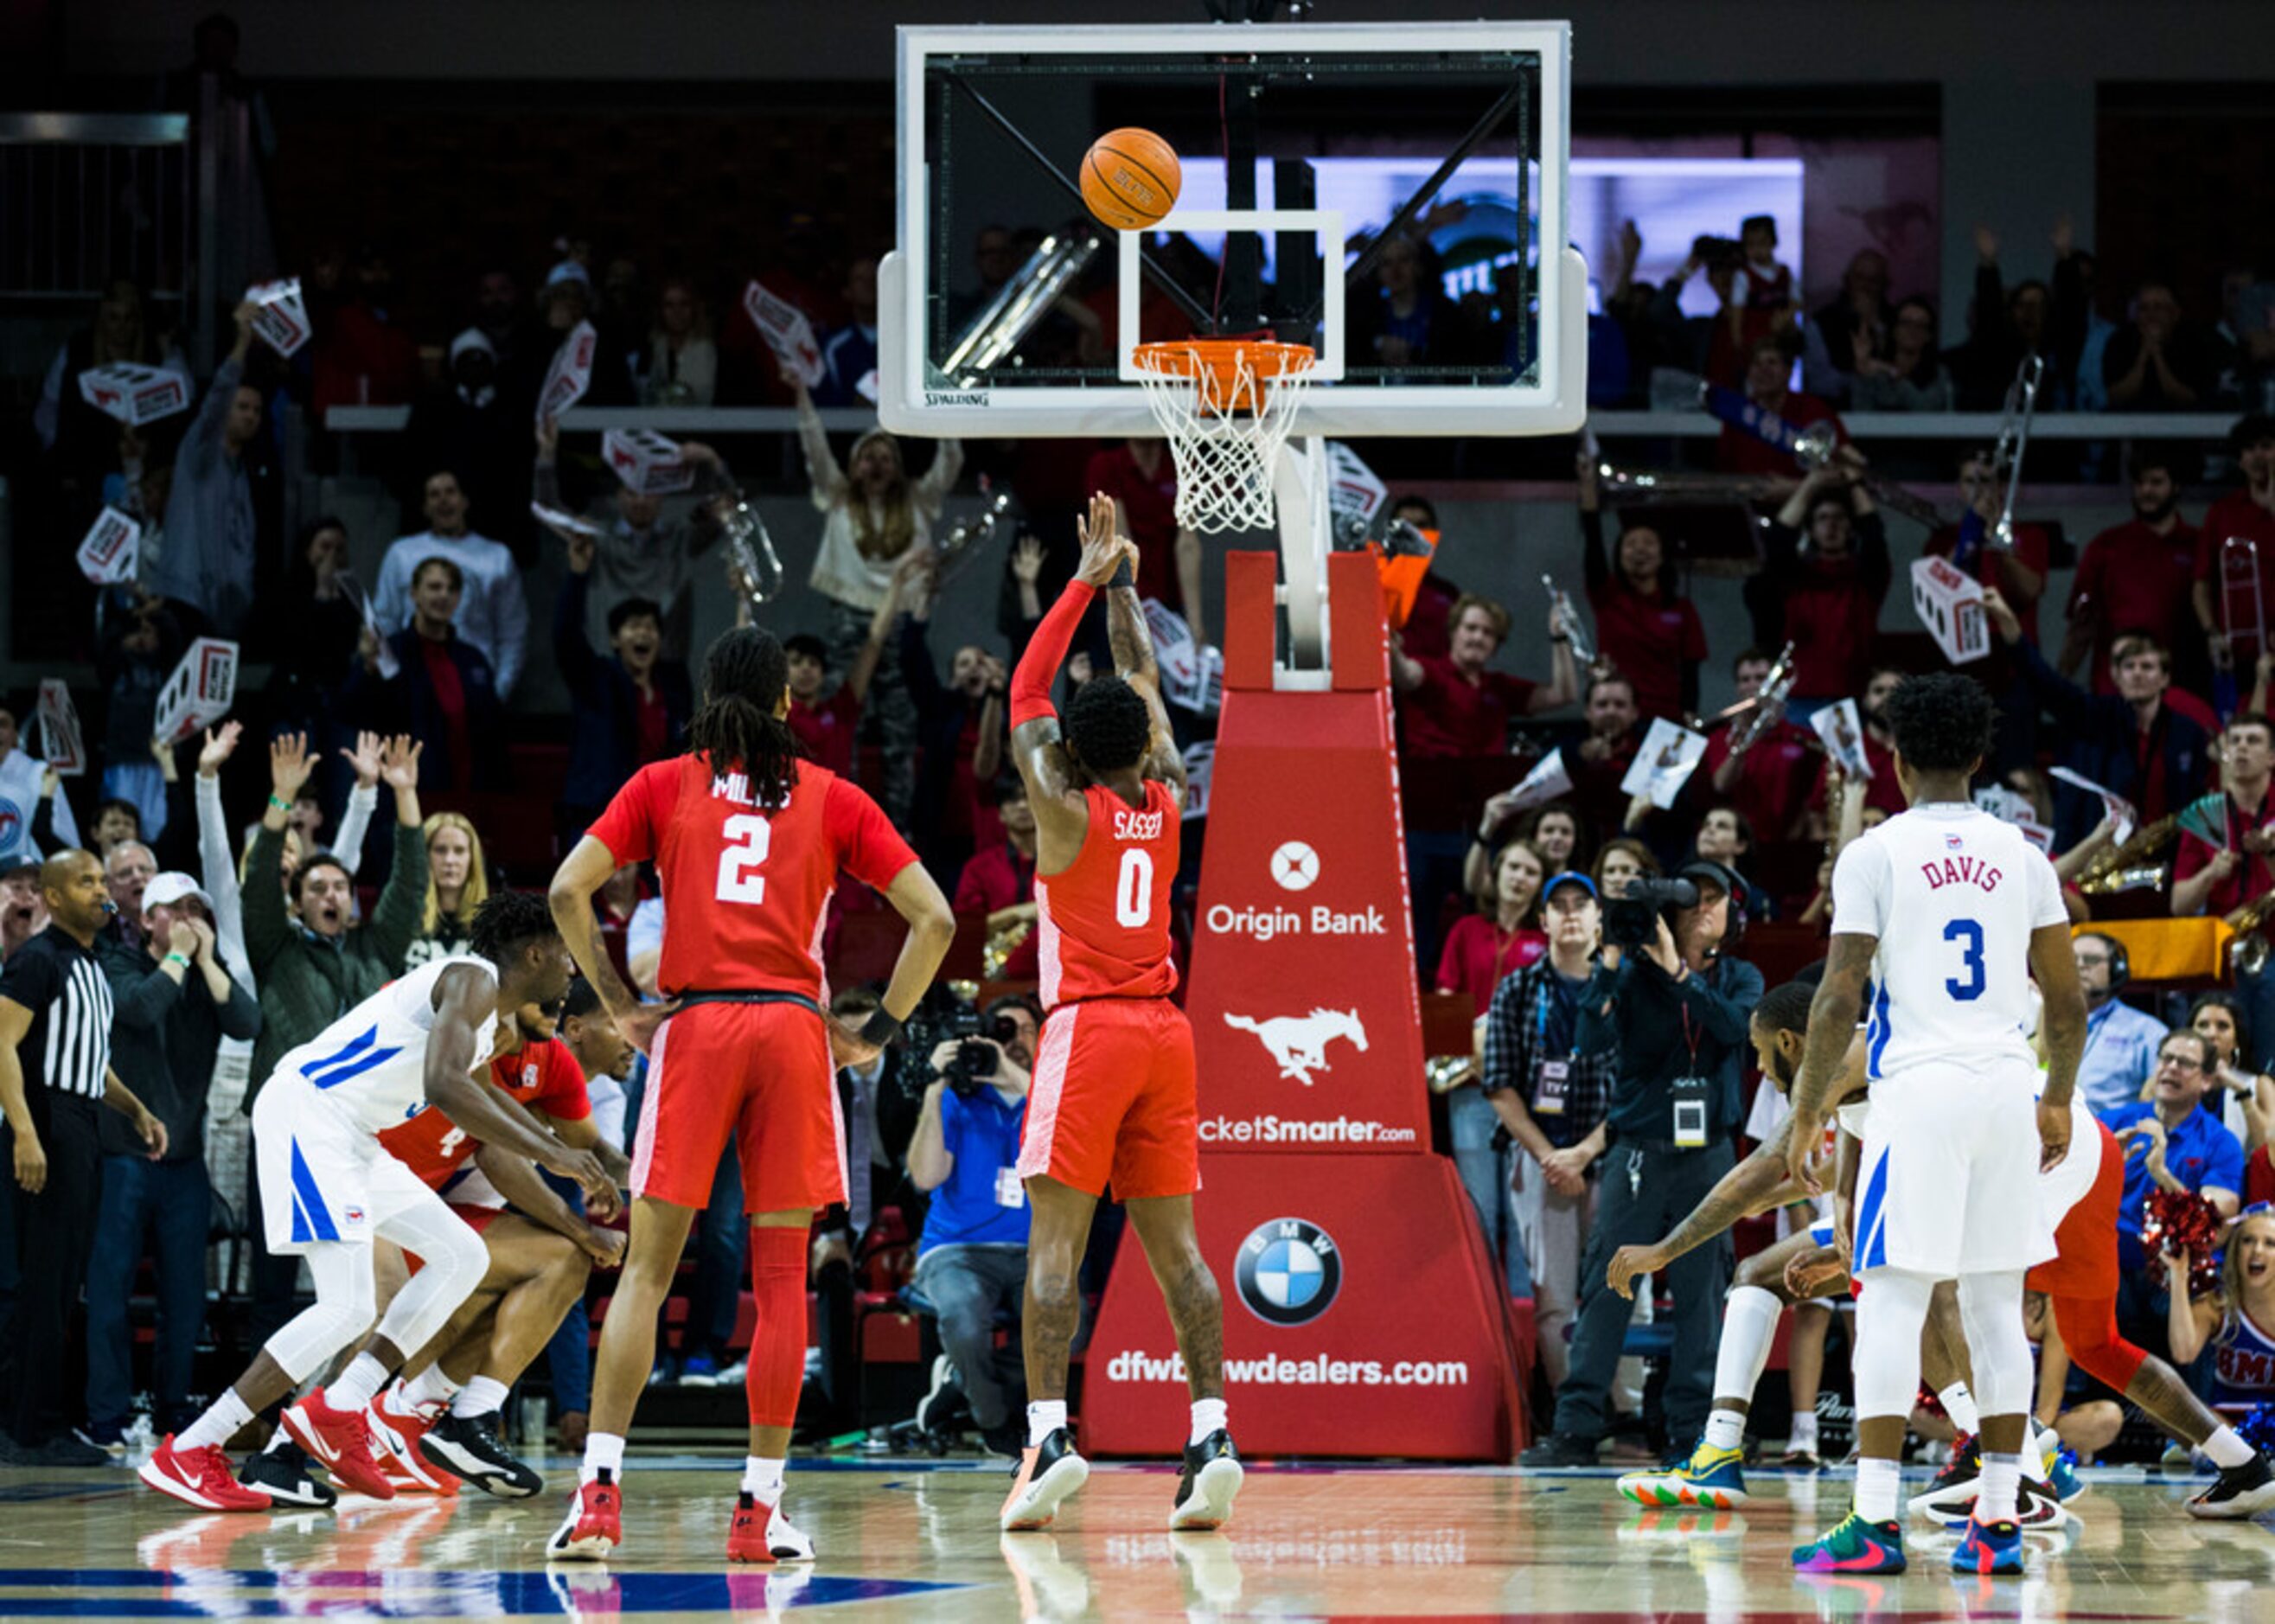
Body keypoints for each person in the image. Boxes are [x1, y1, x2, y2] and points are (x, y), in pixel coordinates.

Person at [546, 623, 954, 1563]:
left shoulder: (663, 782)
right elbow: (931, 917)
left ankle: (600, 1498)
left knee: (646, 1273)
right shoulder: (832, 795)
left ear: (707, 697)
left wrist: (620, 1004)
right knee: (779, 1287)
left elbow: (571, 889)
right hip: (788, 1030)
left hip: (694, 1026)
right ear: (783, 702)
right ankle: (757, 1510)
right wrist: (875, 1035)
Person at [138, 893, 610, 1510]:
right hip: (312, 1114)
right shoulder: (472, 978)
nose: (573, 969)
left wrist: (566, 1153)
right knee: (348, 1307)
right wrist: (554, 1155)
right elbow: (443, 1085)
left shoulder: (484, 1022)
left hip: (354, 1137)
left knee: (460, 1256)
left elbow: (481, 1101)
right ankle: (195, 1447)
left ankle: (340, 1406)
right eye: (568, 955)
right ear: (534, 951)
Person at [1779, 672, 2085, 1577]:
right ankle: (1996, 1524)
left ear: (1897, 760)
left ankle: (1874, 1522)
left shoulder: (1874, 852)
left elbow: (1839, 996)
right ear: (1981, 759)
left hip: (1918, 1093)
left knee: (1892, 1301)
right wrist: (2057, 1095)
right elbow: (2064, 1004)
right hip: (2003, 1086)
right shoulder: (2025, 855)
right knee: (1996, 1308)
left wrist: (1806, 1115)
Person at [997, 492, 1238, 1534]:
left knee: (1055, 1252)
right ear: (1144, 745)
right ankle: (1214, 1429)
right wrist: (1130, 582)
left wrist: (1084, 580)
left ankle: (1049, 1433)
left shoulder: (1063, 805)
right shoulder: (1168, 793)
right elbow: (1139, 680)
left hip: (1089, 1030)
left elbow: (1025, 688)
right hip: (1166, 1034)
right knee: (1180, 1253)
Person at [1518, 860, 1761, 1469]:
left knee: (1700, 1298)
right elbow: (1589, 1042)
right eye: (1692, 898)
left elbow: (1732, 1029)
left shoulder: (1740, 977)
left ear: (1733, 913)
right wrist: (1610, 961)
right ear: (1669, 913)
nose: (1703, 909)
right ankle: (1575, 1429)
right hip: (1636, 1154)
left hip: (1707, 1156)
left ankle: (1688, 1433)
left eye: (1715, 899)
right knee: (1607, 1289)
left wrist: (1680, 973)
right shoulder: (1633, 977)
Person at [367, 988, 632, 1496]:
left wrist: (663, 1183)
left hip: (440, 1213)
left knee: (539, 1275)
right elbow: (496, 1154)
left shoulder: (552, 1063)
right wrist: (581, 1227)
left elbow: (594, 1150)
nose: (631, 1043)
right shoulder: (474, 1044)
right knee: (380, 1318)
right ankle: (332, 1432)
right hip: (382, 1196)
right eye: (618, 1025)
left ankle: (431, 1417)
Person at [0, 851, 168, 1461]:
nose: (99, 890)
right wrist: (24, 1133)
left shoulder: (90, 965)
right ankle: (29, 1430)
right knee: (42, 1283)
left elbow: (91, 1061)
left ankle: (38, 1420)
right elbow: (2, 1045)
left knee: (64, 1281)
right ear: (50, 895)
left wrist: (138, 1111)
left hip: (81, 1123)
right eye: (85, 881)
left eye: (102, 880)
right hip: (47, 1121)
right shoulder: (38, 960)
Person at [84, 873, 259, 1448]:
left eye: (197, 910)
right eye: (176, 909)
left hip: (185, 1161)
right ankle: (106, 1418)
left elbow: (247, 1023)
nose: (189, 919)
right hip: (123, 1158)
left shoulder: (202, 975)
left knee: (185, 1300)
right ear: (147, 920)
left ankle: (173, 1411)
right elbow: (137, 1011)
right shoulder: (117, 965)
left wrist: (206, 964)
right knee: (108, 1296)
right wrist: (181, 960)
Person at [794, 363, 963, 830]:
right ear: (854, 464)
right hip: (849, 620)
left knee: (899, 733)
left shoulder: (919, 499)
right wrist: (801, 397)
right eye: (867, 456)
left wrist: (942, 408)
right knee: (840, 727)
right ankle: (829, 824)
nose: (876, 465)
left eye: (885, 456)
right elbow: (814, 451)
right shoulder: (837, 496)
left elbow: (950, 463)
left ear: (899, 463)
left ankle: (897, 834)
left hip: (903, 624)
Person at [1480, 872, 1619, 1388]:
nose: (1569, 914)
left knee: (1623, 1288)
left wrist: (1583, 1152)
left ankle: (1627, 1413)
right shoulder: (1517, 988)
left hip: (1611, 1155)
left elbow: (1637, 1084)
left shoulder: (1623, 988)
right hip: (1541, 1160)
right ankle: (1570, 1407)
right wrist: (1551, 1157)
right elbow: (1498, 1085)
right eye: (1557, 906)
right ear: (1543, 921)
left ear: (1599, 918)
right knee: (1554, 1295)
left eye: (1580, 904)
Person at [906, 997, 1035, 1457]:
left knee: (1071, 1321)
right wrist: (934, 1088)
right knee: (962, 1317)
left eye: (1026, 1031)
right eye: (1004, 1031)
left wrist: (1008, 1072)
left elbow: (1054, 1117)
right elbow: (926, 1176)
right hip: (957, 1248)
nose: (1015, 1042)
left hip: (1037, 1249)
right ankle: (993, 1420)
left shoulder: (1048, 1097)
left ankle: (961, 1382)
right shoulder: (958, 1100)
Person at [1987, 589, 2212, 847]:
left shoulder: (2188, 733)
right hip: (2104, 857)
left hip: (2166, 856)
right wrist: (2013, 632)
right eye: (2129, 667)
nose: (2137, 674)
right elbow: (2049, 687)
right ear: (2116, 676)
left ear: (2165, 679)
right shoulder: (2098, 717)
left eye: (2147, 667)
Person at [534, 417, 730, 662]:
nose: (640, 501)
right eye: (632, 492)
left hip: (666, 676)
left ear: (661, 496)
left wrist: (712, 461)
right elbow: (545, 509)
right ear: (618, 495)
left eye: (649, 492)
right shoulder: (597, 540)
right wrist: (546, 453)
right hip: (608, 673)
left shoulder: (680, 539)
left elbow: (729, 510)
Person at [555, 532, 694, 834]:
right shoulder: (596, 678)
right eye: (633, 627)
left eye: (650, 627)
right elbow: (566, 635)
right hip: (599, 812)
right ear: (615, 640)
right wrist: (578, 574)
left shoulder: (674, 684)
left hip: (658, 815)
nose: (643, 634)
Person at [148, 300, 263, 637]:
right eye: (242, 407)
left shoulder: (241, 473)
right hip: (185, 600)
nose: (250, 415)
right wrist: (241, 344)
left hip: (221, 614)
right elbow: (215, 401)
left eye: (256, 410)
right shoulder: (199, 454)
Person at [350, 556, 508, 796]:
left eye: (452, 589)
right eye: (434, 587)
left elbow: (492, 734)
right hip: (406, 792)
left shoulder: (472, 659)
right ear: (414, 593)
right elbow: (352, 712)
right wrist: (367, 669)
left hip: (469, 792)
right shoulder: (389, 653)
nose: (444, 595)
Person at [373, 470, 528, 699]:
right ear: (425, 507)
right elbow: (384, 622)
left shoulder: (497, 557)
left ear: (465, 501)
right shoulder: (401, 554)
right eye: (434, 495)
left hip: (475, 684)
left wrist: (498, 693)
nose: (443, 500)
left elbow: (512, 633)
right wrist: (391, 685)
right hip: (414, 682)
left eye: (450, 492)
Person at [2061, 451, 2203, 694]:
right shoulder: (2107, 546)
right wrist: (2060, 682)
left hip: (2183, 689)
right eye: (2140, 483)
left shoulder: (2198, 544)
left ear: (2176, 486)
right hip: (2114, 691)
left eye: (2156, 482)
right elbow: (2081, 628)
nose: (2147, 491)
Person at [1577, 457, 1708, 723]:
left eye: (1648, 543)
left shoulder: (1681, 609)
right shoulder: (1608, 597)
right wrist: (1588, 484)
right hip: (1618, 716)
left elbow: (1690, 669)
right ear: (1619, 555)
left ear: (1661, 556)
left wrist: (1689, 716)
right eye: (1630, 544)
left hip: (1666, 717)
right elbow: (1592, 538)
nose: (1639, 550)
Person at [2167, 1211, 2275, 1427]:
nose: (2257, 1251)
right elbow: (2183, 1353)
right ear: (2235, 1250)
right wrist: (2178, 1277)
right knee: (2166, 1406)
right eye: (2248, 1241)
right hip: (2223, 1427)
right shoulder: (2215, 1305)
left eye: (2270, 1243)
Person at [2193, 415, 2275, 681]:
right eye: (2249, 449)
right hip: (2239, 655)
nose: (2258, 456)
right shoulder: (2222, 513)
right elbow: (2201, 584)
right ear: (2240, 460)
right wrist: (2211, 633)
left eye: (2266, 446)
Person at [2070, 932, 2170, 1116]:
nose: (2080, 965)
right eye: (2072, 959)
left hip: (2114, 1135)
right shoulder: (2039, 1021)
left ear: (2117, 970)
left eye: (2091, 959)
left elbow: (2164, 1100)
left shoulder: (2147, 1031)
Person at [1437, 837, 1548, 1001]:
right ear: (1497, 873)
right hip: (1468, 1026)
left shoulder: (1547, 936)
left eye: (1531, 872)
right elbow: (1446, 992)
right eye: (1513, 867)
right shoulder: (1466, 929)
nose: (1519, 877)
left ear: (1541, 885)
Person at [955, 775, 1041, 981]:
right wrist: (1019, 913)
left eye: (1028, 798)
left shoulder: (1065, 861)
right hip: (992, 978)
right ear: (1000, 814)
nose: (1022, 806)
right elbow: (965, 930)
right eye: (1012, 800)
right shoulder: (979, 868)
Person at [404, 813, 489, 971]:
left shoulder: (491, 927)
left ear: (472, 859)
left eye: (459, 851)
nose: (450, 860)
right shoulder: (403, 918)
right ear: (424, 855)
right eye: (440, 850)